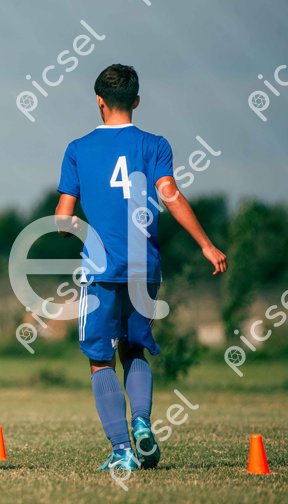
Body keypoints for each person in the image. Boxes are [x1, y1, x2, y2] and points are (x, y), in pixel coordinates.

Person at [54, 64, 227, 471]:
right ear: (136, 101)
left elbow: (62, 218)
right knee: (134, 349)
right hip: (144, 268)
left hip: (101, 270)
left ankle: (122, 451)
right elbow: (171, 195)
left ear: (99, 101)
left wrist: (75, 228)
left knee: (101, 359)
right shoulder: (155, 145)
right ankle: (143, 424)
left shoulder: (78, 149)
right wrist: (206, 244)